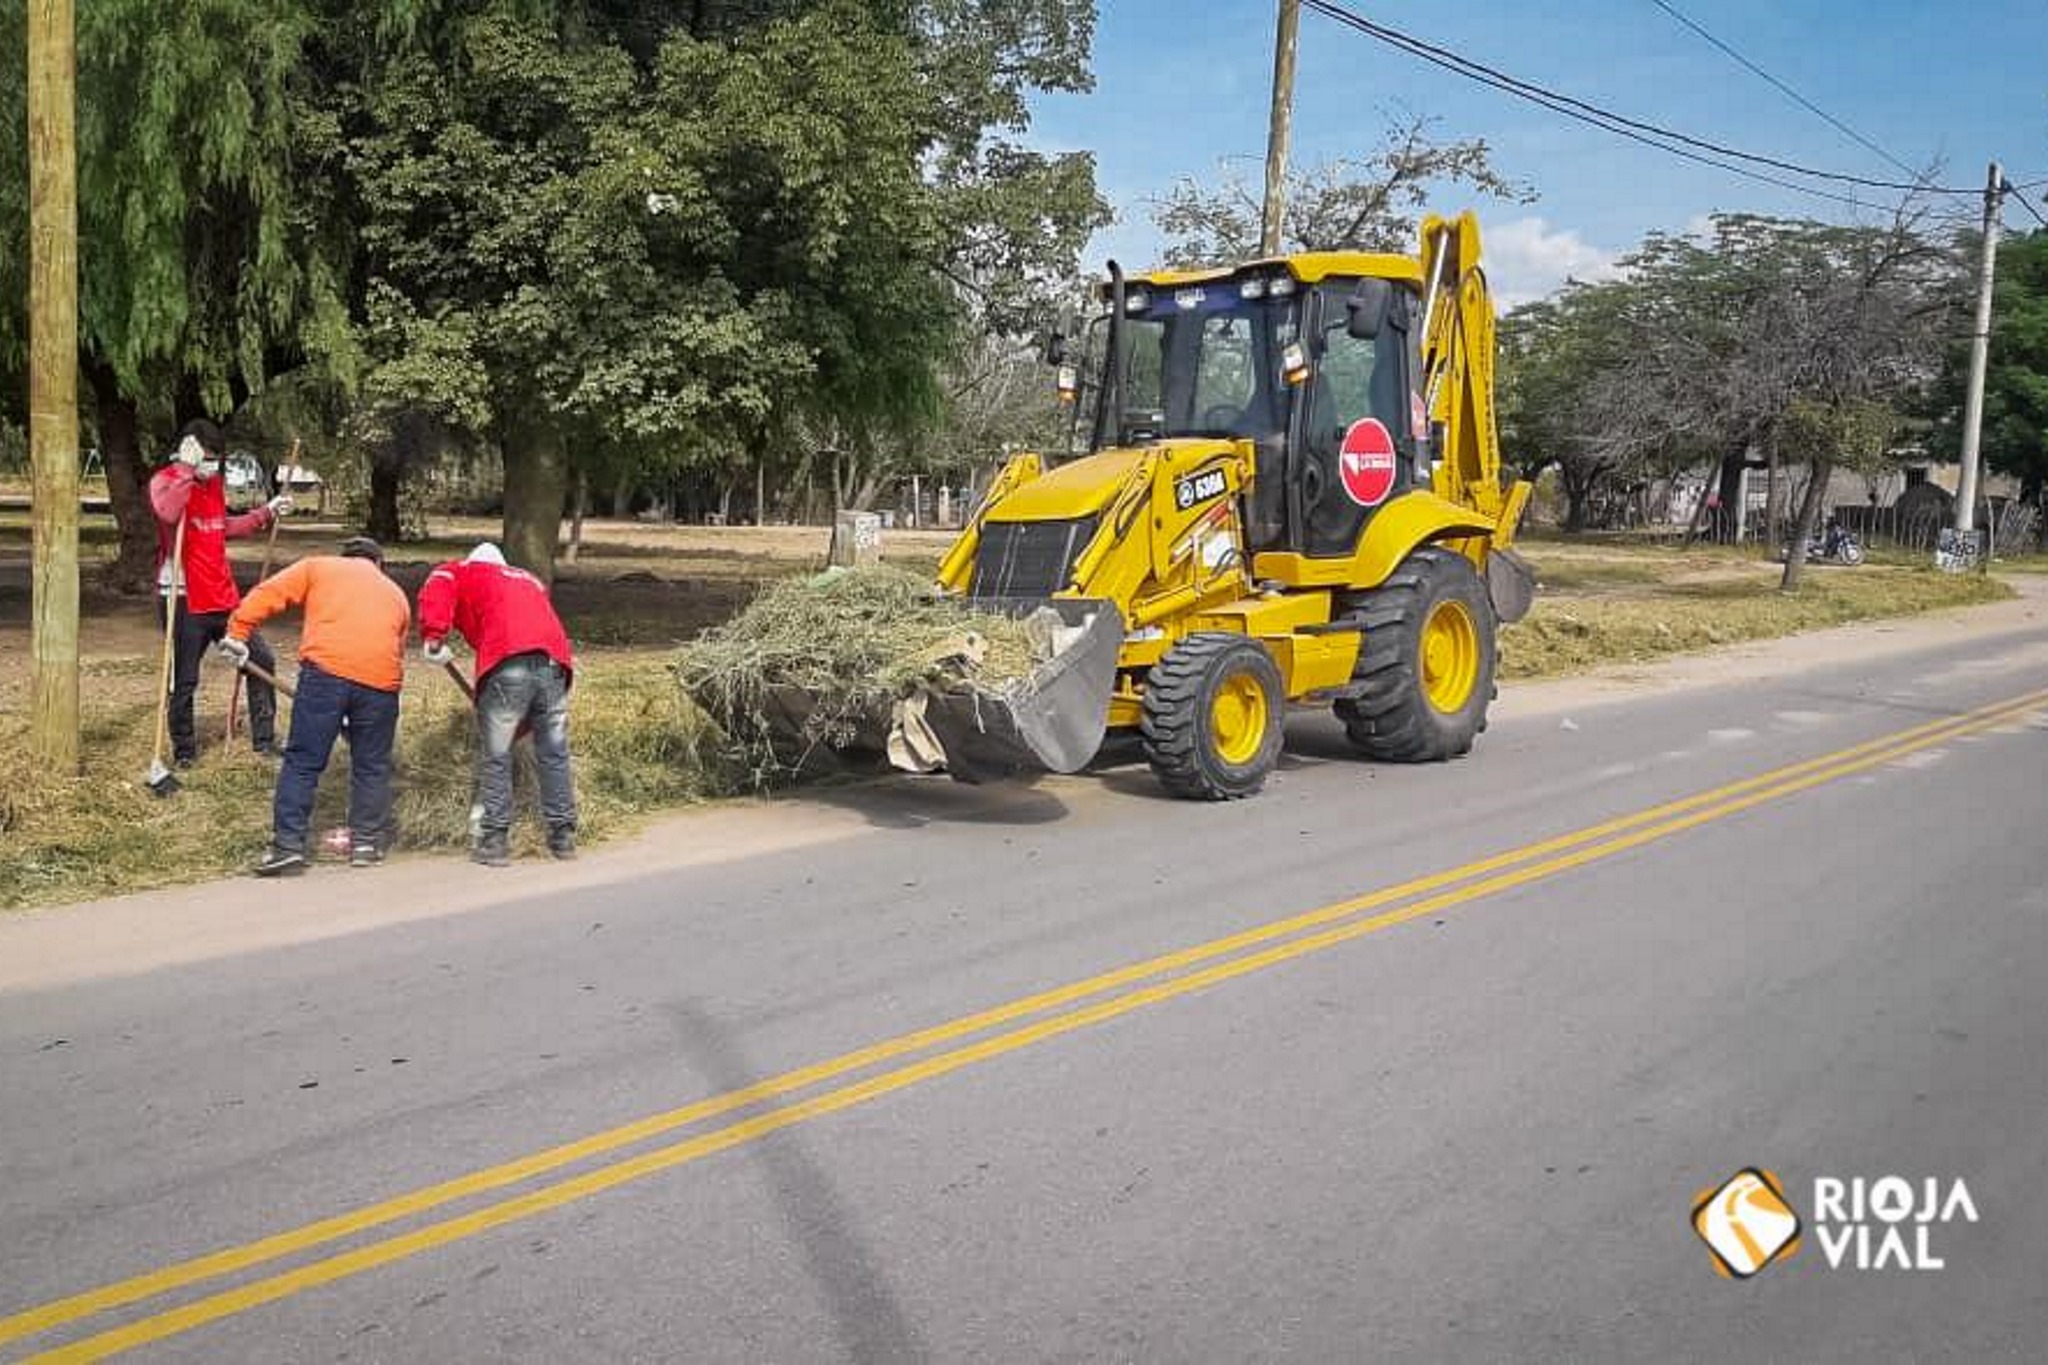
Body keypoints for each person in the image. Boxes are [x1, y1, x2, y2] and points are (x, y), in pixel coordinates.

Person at [221, 537, 411, 877]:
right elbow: (397, 649)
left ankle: (288, 847)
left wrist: (238, 633)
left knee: (303, 761)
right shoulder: (396, 593)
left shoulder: (319, 566)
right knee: (372, 766)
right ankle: (366, 843)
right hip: (381, 684)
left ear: (347, 557)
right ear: (379, 564)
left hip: (326, 674)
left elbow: (268, 594)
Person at [417, 543, 579, 866]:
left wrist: (434, 637)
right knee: (554, 752)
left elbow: (437, 588)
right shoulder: (528, 580)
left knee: (497, 755)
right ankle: (563, 837)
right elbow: (529, 622)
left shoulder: (460, 570)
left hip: (508, 663)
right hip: (555, 665)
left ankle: (494, 840)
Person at [150, 419, 293, 764]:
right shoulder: (165, 481)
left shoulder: (212, 484)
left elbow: (221, 527)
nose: (213, 465)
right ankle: (184, 751)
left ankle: (264, 740)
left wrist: (266, 513)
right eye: (207, 457)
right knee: (184, 680)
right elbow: (168, 514)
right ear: (190, 450)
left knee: (260, 660)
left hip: (222, 596)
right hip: (183, 598)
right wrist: (185, 469)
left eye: (216, 458)